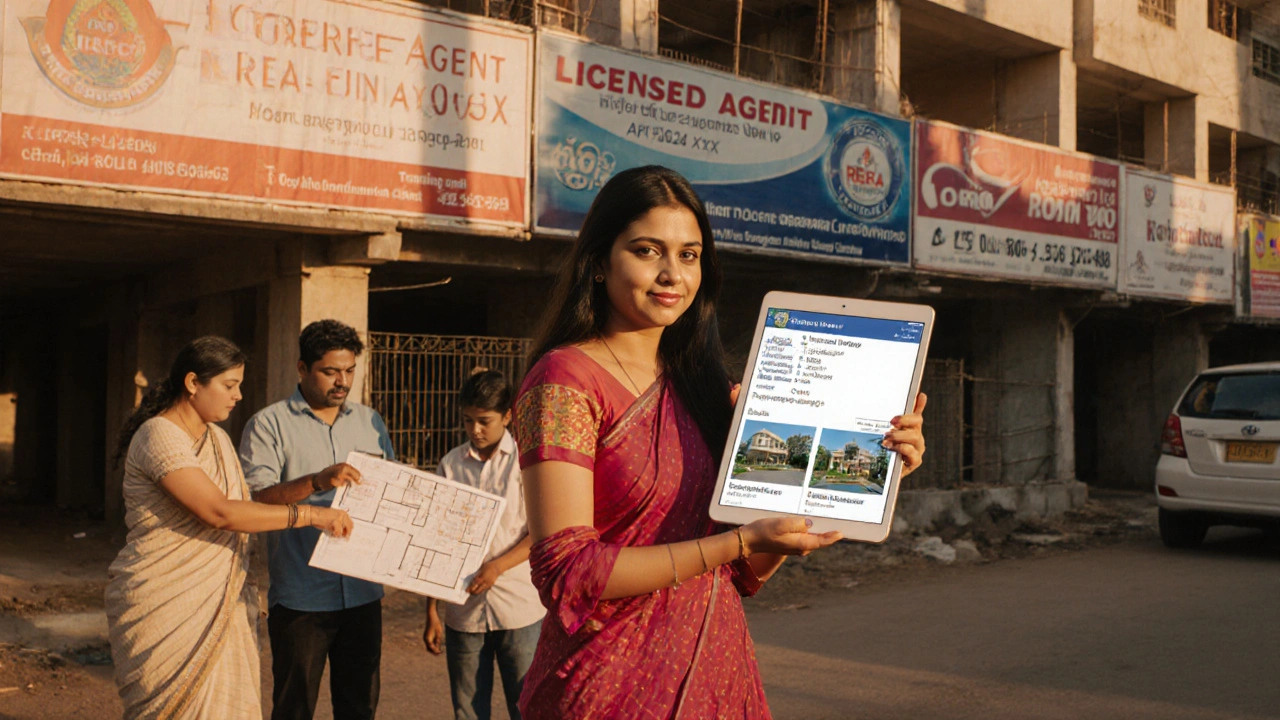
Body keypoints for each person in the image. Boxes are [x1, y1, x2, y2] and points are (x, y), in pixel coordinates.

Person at [513, 165, 928, 719]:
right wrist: (736, 543)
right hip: (607, 687)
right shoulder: (565, 379)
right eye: (647, 251)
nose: (671, 275)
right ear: (598, 262)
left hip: (717, 676)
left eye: (688, 255)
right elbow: (568, 572)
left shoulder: (706, 386)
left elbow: (742, 573)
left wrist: (870, 474)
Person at [106, 336, 352, 720]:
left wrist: (316, 482)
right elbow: (219, 513)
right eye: (229, 385)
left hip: (219, 600)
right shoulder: (159, 436)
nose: (237, 395)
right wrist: (311, 515)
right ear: (192, 383)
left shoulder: (216, 438)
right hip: (169, 603)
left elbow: (248, 505)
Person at [239, 320, 396, 720]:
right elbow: (258, 498)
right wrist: (316, 480)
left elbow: (390, 491)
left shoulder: (370, 421)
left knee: (360, 707)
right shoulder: (268, 424)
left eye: (349, 371)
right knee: (294, 708)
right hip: (301, 597)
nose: (342, 381)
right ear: (302, 368)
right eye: (330, 371)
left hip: (363, 593)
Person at [424, 369, 546, 720]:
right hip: (462, 610)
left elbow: (540, 532)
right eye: (467, 421)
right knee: (467, 711)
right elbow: (436, 537)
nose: (475, 430)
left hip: (519, 607)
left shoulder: (527, 461)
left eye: (484, 421)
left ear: (508, 416)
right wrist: (431, 610)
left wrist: (497, 567)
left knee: (526, 706)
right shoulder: (450, 464)